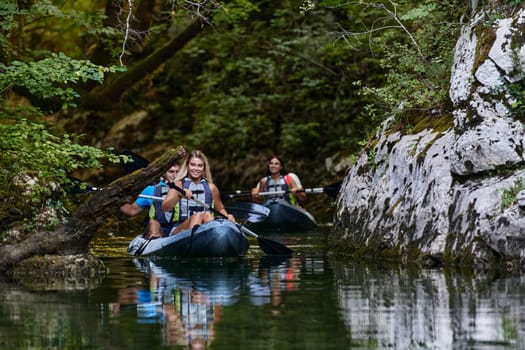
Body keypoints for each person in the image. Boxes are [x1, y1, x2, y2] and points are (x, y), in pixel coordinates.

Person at [161, 150, 235, 235]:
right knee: (198, 216)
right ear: (187, 166)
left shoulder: (212, 188)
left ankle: (212, 239)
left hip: (205, 225)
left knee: (207, 215)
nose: (196, 169)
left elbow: (220, 209)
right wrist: (179, 195)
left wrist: (227, 216)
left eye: (200, 166)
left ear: (204, 168)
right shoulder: (178, 185)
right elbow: (164, 208)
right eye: (192, 165)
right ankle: (193, 240)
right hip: (179, 228)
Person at [120, 163, 180, 238]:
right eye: (171, 172)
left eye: (178, 172)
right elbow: (132, 211)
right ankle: (155, 238)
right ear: (164, 173)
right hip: (157, 228)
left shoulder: (187, 189)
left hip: (177, 229)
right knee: (153, 223)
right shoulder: (151, 190)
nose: (175, 175)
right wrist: (117, 200)